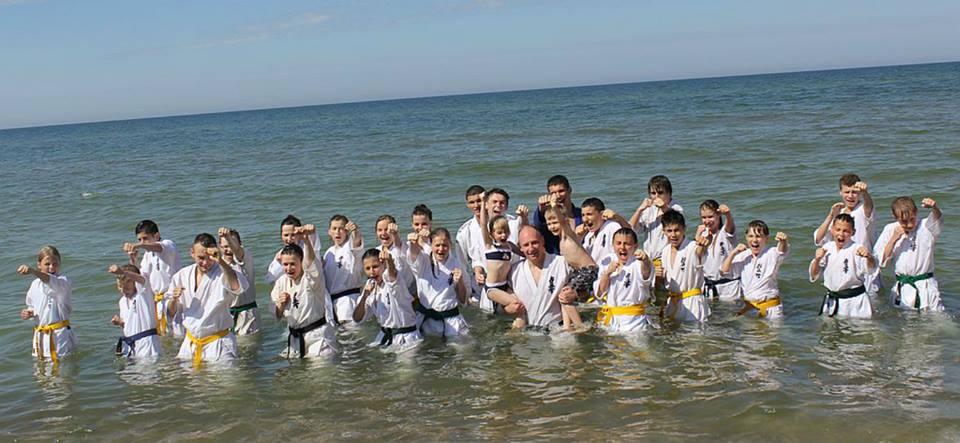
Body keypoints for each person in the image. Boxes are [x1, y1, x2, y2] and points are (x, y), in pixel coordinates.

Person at [490, 214, 596, 333]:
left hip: (559, 332)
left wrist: (575, 293)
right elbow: (500, 305)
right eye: (526, 245)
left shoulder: (561, 263)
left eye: (534, 243)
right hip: (528, 333)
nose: (531, 248)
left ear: (542, 241)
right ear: (520, 248)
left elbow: (589, 281)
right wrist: (508, 309)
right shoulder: (514, 271)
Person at [167, 233, 248, 364]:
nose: (205, 263)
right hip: (190, 343)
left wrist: (220, 261)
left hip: (218, 343)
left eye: (209, 258)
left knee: (225, 378)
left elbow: (238, 287)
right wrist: (173, 300)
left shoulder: (224, 272)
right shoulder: (181, 275)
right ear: (192, 253)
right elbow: (171, 313)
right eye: (201, 258)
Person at [271, 224, 338, 358]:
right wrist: (280, 305)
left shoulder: (312, 279)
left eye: (293, 264)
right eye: (285, 264)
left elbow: (311, 263)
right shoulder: (281, 282)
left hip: (318, 336)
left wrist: (306, 240)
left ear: (301, 263)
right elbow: (276, 315)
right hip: (296, 339)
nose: (289, 268)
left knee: (320, 370)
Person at [873, 196, 944, 311]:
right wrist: (894, 238)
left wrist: (934, 207)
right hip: (902, 288)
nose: (910, 224)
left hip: (926, 287)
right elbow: (881, 261)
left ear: (916, 212)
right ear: (895, 217)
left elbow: (938, 218)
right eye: (904, 221)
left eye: (912, 219)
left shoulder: (926, 226)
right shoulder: (890, 229)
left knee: (936, 318)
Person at [813, 174, 879, 295]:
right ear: (840, 193)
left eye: (854, 192)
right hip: (846, 268)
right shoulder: (839, 214)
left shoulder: (863, 209)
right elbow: (818, 239)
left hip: (866, 267)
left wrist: (865, 193)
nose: (850, 196)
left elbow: (869, 207)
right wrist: (831, 216)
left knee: (871, 302)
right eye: (847, 192)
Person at [353, 248, 422, 353]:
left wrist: (389, 261)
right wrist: (364, 296)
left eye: (375, 267)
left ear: (383, 265)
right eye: (367, 268)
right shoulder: (370, 285)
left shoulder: (394, 281)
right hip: (384, 336)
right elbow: (357, 318)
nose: (371, 272)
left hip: (406, 338)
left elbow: (392, 274)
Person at [809, 214, 877, 319]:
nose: (841, 234)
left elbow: (871, 270)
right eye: (838, 230)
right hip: (832, 301)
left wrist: (869, 257)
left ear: (853, 232)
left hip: (855, 302)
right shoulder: (827, 248)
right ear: (832, 230)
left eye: (846, 231)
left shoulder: (857, 249)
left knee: (859, 328)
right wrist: (817, 260)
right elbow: (814, 275)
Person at [406, 228, 470, 338]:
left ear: (450, 245)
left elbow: (463, 300)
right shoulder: (423, 260)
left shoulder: (457, 265)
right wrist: (413, 243)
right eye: (437, 245)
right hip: (425, 319)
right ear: (431, 245)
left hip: (451, 320)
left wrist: (460, 282)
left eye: (445, 245)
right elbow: (413, 256)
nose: (441, 249)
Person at [123, 220, 180, 336]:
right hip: (156, 302)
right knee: (162, 337)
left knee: (177, 334)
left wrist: (138, 245)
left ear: (156, 236)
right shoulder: (147, 255)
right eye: (139, 239)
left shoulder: (168, 245)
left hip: (172, 298)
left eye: (145, 238)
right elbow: (141, 279)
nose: (142, 242)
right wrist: (133, 260)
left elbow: (159, 247)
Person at [721, 221, 789, 319]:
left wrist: (783, 241)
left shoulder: (771, 253)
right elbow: (724, 272)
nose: (754, 240)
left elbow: (782, 251)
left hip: (771, 308)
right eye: (751, 236)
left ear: (766, 238)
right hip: (750, 307)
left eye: (758, 236)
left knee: (773, 329)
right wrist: (733, 252)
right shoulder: (743, 256)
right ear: (746, 237)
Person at [19, 246, 75, 363]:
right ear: (39, 264)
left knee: (61, 369)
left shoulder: (63, 281)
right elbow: (33, 306)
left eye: (55, 264)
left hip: (59, 335)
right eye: (47, 264)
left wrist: (33, 271)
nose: (51, 267)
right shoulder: (35, 284)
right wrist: (29, 313)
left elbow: (49, 280)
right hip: (40, 334)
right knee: (40, 370)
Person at [477, 197, 527, 324]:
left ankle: (516, 330)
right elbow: (483, 224)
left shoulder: (510, 246)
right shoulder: (490, 246)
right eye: (499, 233)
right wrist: (483, 202)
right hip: (492, 288)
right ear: (492, 234)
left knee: (522, 306)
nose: (503, 235)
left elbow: (525, 254)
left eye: (506, 232)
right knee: (515, 304)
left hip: (505, 285)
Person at [595, 228, 656, 332]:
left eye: (627, 244)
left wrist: (645, 261)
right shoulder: (608, 261)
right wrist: (607, 273)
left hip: (634, 322)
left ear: (635, 246)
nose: (622, 247)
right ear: (613, 245)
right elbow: (600, 292)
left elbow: (646, 276)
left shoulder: (639, 262)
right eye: (618, 243)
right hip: (611, 320)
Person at [629, 175, 683, 285]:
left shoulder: (676, 207)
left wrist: (664, 208)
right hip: (649, 259)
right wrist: (639, 210)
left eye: (660, 193)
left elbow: (677, 220)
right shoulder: (649, 210)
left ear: (669, 193)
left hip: (666, 258)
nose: (656, 197)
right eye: (653, 193)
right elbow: (632, 229)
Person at [660, 211, 712, 322]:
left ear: (684, 229)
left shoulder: (692, 247)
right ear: (663, 231)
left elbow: (700, 251)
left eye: (677, 230)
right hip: (673, 303)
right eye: (669, 231)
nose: (673, 235)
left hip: (692, 303)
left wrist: (705, 244)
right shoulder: (665, 251)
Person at [108, 264, 161, 359]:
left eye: (126, 287)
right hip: (131, 347)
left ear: (135, 283)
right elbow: (129, 325)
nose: (123, 290)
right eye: (120, 287)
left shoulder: (143, 294)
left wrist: (123, 272)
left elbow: (141, 279)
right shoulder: (122, 301)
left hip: (148, 345)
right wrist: (120, 322)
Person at [323, 215, 365, 325]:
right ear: (329, 231)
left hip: (349, 301)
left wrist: (355, 231)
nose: (337, 232)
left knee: (352, 334)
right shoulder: (328, 253)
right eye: (334, 228)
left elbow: (357, 244)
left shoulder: (349, 247)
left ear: (346, 231)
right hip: (332, 306)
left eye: (341, 229)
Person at [218, 227, 260, 335]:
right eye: (225, 246)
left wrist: (228, 238)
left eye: (232, 244)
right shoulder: (217, 264)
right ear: (219, 247)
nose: (229, 250)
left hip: (247, 314)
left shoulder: (245, 257)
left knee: (247, 344)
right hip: (227, 316)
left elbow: (237, 252)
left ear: (240, 245)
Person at [698, 200, 740, 301]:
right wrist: (697, 237)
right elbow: (697, 258)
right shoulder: (703, 234)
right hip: (708, 287)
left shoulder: (726, 232)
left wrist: (728, 215)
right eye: (704, 217)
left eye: (710, 216)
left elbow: (730, 226)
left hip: (729, 287)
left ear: (718, 215)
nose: (707, 221)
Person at [531, 175, 583, 254]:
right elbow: (538, 226)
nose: (558, 196)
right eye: (553, 193)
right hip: (556, 258)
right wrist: (541, 209)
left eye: (561, 191)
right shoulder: (548, 216)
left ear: (569, 190)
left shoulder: (581, 214)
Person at [265, 214, 323, 283]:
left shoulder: (307, 246)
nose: (289, 239)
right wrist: (279, 262)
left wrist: (311, 232)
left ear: (300, 234)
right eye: (286, 235)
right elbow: (270, 279)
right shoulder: (281, 254)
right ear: (281, 236)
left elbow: (314, 243)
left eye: (293, 235)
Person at [455, 185, 486, 300]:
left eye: (479, 201)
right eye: (472, 202)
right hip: (479, 286)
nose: (476, 205)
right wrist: (466, 294)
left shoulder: (502, 223)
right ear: (467, 205)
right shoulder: (464, 232)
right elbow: (462, 265)